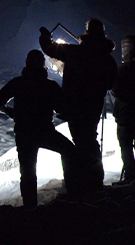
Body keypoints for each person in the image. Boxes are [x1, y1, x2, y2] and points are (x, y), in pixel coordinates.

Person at [39, 18, 117, 195]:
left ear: (87, 33)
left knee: (80, 142)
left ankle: (83, 184)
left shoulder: (75, 52)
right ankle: (95, 181)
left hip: (73, 105)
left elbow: (48, 48)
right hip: (94, 106)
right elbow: (111, 83)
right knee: (89, 138)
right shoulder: (107, 59)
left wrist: (45, 36)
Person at [0, 49, 76, 208]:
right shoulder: (50, 85)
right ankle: (71, 191)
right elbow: (61, 108)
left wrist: (10, 112)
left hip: (24, 133)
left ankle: (30, 207)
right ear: (43, 65)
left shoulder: (18, 83)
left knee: (27, 171)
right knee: (69, 151)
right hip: (45, 131)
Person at [112, 35, 135, 185]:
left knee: (126, 147)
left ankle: (130, 176)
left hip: (125, 115)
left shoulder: (121, 70)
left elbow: (115, 90)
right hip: (125, 114)